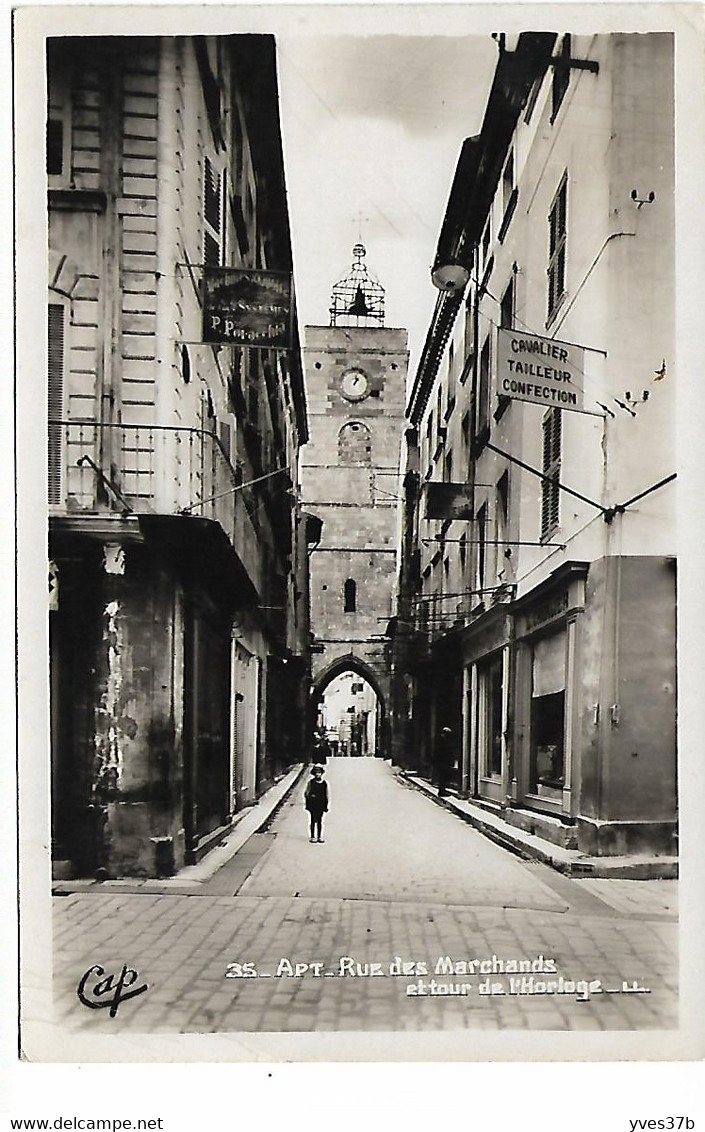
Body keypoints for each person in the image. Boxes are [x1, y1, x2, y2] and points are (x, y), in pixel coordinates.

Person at [304, 765, 329, 843]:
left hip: (321, 804)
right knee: (312, 820)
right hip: (313, 804)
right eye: (316, 773)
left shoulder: (324, 783)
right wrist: (309, 799)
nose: (318, 774)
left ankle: (319, 836)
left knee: (320, 821)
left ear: (322, 774)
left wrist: (326, 805)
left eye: (319, 773)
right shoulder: (311, 783)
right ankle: (312, 836)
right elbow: (306, 793)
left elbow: (326, 794)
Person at [437, 726, 455, 797]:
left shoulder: (441, 740)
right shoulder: (443, 741)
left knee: (444, 777)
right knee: (443, 777)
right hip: (443, 762)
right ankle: (442, 791)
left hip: (443, 762)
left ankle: (442, 790)